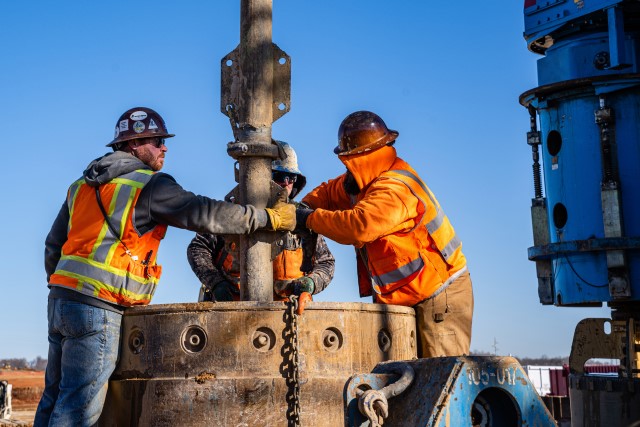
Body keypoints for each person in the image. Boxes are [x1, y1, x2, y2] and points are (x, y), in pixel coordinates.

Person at [35, 107, 295, 426]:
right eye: (157, 141)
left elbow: (53, 245)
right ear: (134, 145)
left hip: (62, 301)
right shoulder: (146, 184)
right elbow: (202, 212)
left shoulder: (82, 186)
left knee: (53, 398)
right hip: (98, 307)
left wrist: (64, 287)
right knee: (77, 408)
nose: (164, 147)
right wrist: (262, 218)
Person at [297, 110, 472, 358]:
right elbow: (327, 192)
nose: (345, 169)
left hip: (439, 296)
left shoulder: (394, 189)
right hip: (403, 297)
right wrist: (303, 207)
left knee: (439, 380)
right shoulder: (362, 183)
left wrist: (309, 219)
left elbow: (359, 226)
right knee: (402, 378)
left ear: (360, 159)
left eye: (348, 161)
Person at [187, 142, 335, 303]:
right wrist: (216, 283)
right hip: (232, 314)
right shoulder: (232, 214)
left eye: (291, 178)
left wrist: (312, 283)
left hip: (288, 318)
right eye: (279, 176)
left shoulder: (301, 219)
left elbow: (326, 263)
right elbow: (198, 248)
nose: (286, 183)